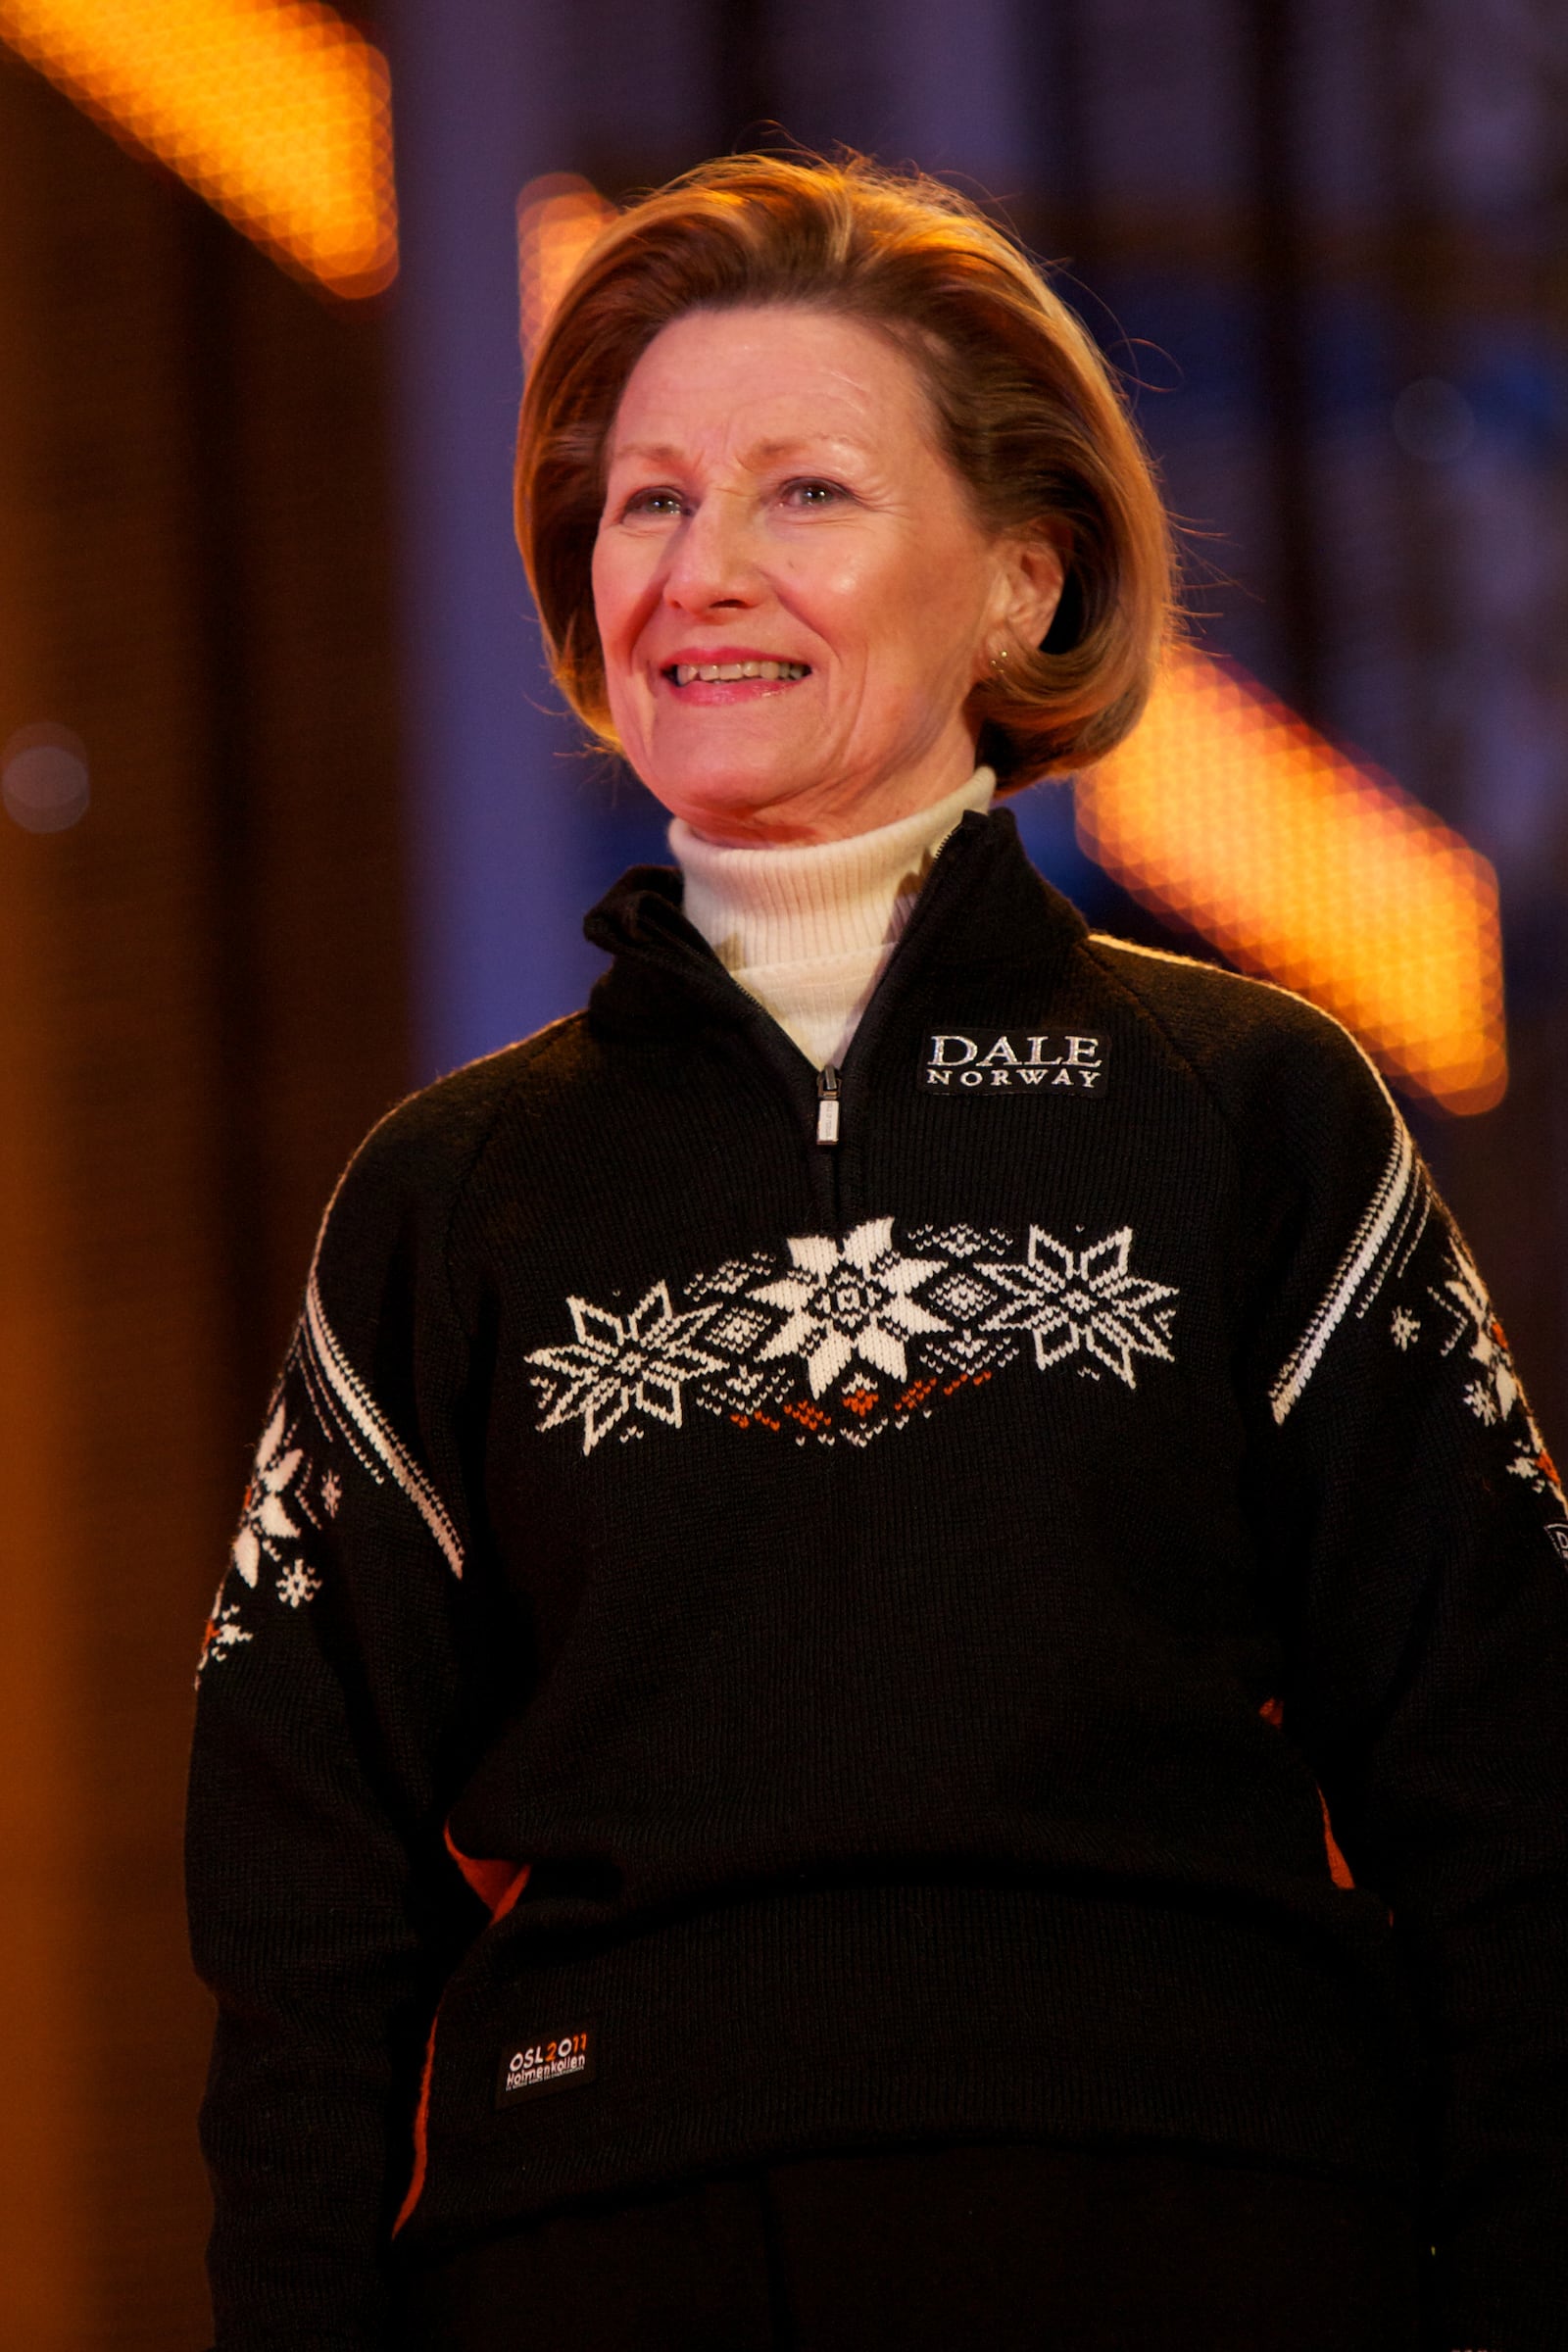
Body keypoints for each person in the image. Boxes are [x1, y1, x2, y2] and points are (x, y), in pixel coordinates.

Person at [186, 154, 1568, 2352]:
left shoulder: (1251, 1109)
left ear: (1022, 580)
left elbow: (1509, 1803)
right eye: (648, 503)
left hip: (1205, 2239)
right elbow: (300, 1915)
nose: (696, 571)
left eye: (804, 494)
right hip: (596, 2266)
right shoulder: (451, 1197)